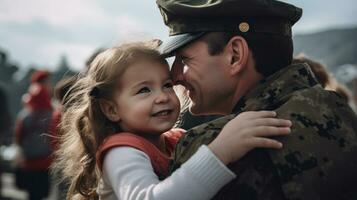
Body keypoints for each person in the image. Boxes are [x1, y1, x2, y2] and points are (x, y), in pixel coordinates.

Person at [156, 0, 357, 199]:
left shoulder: (211, 147)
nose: (174, 76)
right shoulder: (340, 111)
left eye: (184, 59)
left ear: (235, 55)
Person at [53, 42, 292, 200]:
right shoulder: (121, 150)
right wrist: (221, 152)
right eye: (144, 90)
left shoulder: (174, 140)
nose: (162, 97)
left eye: (167, 85)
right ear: (111, 110)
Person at [14, 70, 53, 200]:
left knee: (32, 194)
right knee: (41, 194)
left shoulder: (24, 116)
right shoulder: (50, 115)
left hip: (29, 161)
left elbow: (18, 138)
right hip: (44, 162)